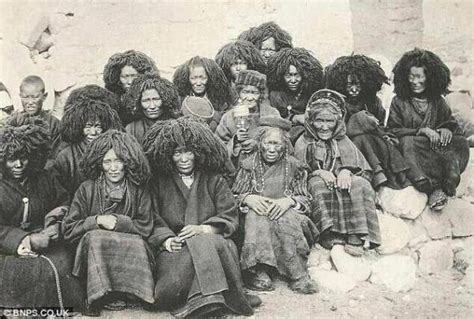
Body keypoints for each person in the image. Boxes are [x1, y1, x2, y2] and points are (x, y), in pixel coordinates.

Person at [143, 117, 261, 318]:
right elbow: (151, 218)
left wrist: (204, 229)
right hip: (178, 249)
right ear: (168, 155)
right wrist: (166, 240)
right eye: (177, 153)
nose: (184, 158)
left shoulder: (214, 179)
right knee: (170, 287)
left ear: (198, 153)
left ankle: (208, 304)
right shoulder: (159, 183)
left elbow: (229, 215)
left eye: (188, 152)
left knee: (206, 242)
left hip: (215, 242)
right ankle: (227, 296)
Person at [62, 130, 155, 314]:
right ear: (99, 164)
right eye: (107, 162)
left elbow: (146, 226)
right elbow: (69, 229)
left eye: (118, 161)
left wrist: (119, 223)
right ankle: (101, 294)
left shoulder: (138, 189)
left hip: (130, 251)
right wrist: (97, 220)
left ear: (127, 162)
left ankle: (132, 292)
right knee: (96, 238)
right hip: (94, 253)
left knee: (137, 242)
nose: (113, 168)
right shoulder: (86, 189)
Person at [0, 118, 84, 311]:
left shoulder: (44, 177)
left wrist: (56, 224)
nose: (19, 164)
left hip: (45, 238)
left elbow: (64, 203)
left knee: (62, 265)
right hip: (5, 246)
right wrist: (23, 240)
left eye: (24, 157)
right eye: (12, 159)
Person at [232, 116, 318, 294]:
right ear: (259, 143)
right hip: (256, 218)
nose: (271, 149)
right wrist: (248, 198)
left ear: (285, 146)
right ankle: (259, 269)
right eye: (267, 143)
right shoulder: (248, 165)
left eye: (277, 144)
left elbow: (306, 200)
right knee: (257, 215)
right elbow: (233, 195)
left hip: (289, 216)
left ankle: (297, 273)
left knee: (284, 217)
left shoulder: (295, 167)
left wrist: (289, 201)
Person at [295, 89, 381, 256]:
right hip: (315, 180)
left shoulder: (343, 140)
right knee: (318, 186)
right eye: (319, 121)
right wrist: (318, 172)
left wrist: (346, 171)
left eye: (329, 121)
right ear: (311, 121)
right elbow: (297, 172)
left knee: (360, 184)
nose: (325, 126)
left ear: (338, 121)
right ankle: (328, 233)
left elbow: (362, 168)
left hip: (341, 178)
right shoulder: (304, 141)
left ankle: (355, 233)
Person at [388, 48, 470, 210]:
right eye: (411, 76)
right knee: (407, 142)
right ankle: (426, 185)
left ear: (430, 78)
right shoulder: (398, 102)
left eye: (419, 76)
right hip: (414, 151)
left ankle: (447, 182)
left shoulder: (438, 102)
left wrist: (445, 129)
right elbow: (393, 130)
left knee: (460, 141)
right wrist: (423, 130)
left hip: (436, 151)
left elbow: (451, 124)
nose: (414, 81)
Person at [325, 54, 410, 189]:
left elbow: (381, 125)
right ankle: (377, 177)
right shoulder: (338, 103)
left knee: (378, 141)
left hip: (373, 143)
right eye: (349, 85)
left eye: (358, 84)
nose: (353, 89)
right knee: (362, 138)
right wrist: (359, 120)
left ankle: (392, 176)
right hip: (348, 145)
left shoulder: (372, 101)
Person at [52, 89, 122, 200]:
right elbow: (61, 194)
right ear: (79, 127)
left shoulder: (113, 151)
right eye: (88, 127)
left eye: (98, 127)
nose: (93, 133)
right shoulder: (66, 157)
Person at [216, 70, 280, 168]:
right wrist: (236, 140)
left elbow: (283, 141)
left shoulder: (272, 113)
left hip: (268, 165)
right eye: (245, 92)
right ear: (239, 93)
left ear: (261, 95)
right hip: (238, 167)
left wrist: (258, 144)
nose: (249, 98)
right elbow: (219, 147)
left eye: (254, 93)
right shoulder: (229, 117)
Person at [267, 47, 324, 144]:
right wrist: (294, 118)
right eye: (288, 75)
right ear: (281, 75)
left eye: (297, 75)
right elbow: (272, 121)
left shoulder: (310, 94)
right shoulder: (275, 96)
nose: (293, 80)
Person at [173, 56, 231, 132]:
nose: (198, 83)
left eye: (203, 78)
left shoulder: (219, 98)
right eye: (193, 78)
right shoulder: (180, 99)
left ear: (210, 78)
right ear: (187, 79)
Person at [13, 75, 61, 161]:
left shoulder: (54, 124)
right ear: (20, 96)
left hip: (45, 172)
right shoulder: (14, 122)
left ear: (44, 96)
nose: (30, 102)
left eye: (35, 97)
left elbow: (56, 157)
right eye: (25, 97)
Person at [103, 50, 159, 124]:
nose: (130, 82)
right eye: (125, 77)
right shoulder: (113, 103)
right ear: (117, 78)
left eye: (134, 76)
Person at [124, 73, 181, 143]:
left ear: (165, 99)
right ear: (138, 102)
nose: (152, 106)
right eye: (146, 100)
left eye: (156, 99)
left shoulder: (176, 126)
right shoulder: (131, 129)